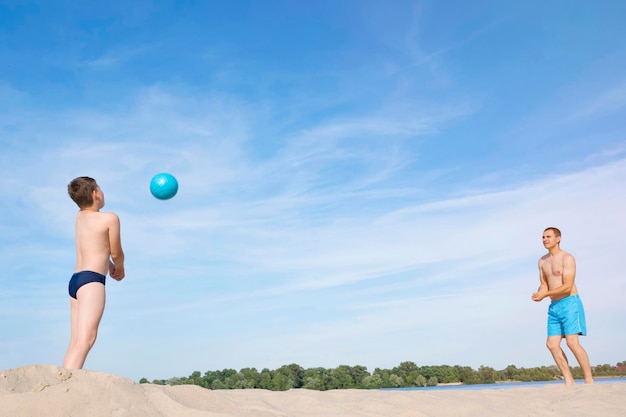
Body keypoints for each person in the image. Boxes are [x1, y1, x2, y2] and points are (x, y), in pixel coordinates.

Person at [62, 177, 125, 369]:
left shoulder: (80, 217)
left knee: (75, 341)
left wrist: (108, 265)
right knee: (86, 340)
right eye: (100, 188)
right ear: (95, 193)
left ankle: (62, 382)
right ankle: (67, 387)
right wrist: (119, 267)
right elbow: (115, 252)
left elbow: (95, 246)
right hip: (92, 281)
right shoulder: (109, 218)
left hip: (75, 281)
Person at [531, 227, 593, 384]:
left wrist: (545, 293)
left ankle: (589, 380)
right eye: (543, 237)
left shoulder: (567, 258)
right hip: (554, 306)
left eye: (548, 236)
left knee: (572, 342)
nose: (545, 239)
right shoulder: (542, 261)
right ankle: (569, 381)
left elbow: (567, 286)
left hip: (570, 303)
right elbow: (544, 284)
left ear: (558, 238)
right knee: (551, 345)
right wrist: (540, 293)